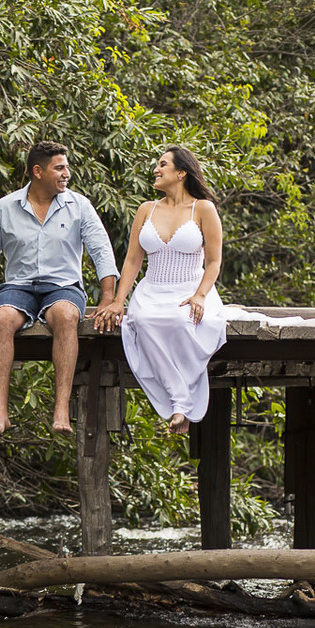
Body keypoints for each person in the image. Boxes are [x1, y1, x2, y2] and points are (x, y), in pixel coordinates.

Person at [0, 141, 119, 434]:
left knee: (66, 316)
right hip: (18, 286)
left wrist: (107, 299)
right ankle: (0, 412)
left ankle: (61, 410)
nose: (67, 174)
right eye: (60, 168)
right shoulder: (5, 208)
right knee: (1, 318)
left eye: (67, 167)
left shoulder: (79, 206)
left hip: (63, 286)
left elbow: (102, 251)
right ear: (38, 171)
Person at [90, 146, 225, 434]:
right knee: (141, 321)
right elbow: (132, 260)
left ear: (181, 172)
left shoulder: (203, 208)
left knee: (180, 322)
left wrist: (200, 295)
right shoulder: (146, 209)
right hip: (152, 290)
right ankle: (180, 401)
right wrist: (119, 300)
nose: (156, 169)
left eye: (163, 164)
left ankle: (181, 402)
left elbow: (214, 262)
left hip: (190, 289)